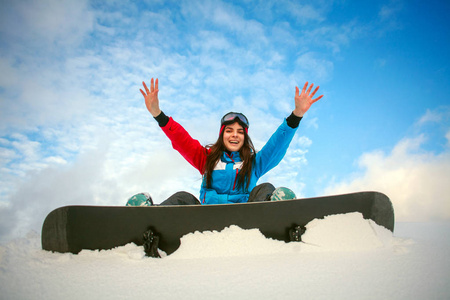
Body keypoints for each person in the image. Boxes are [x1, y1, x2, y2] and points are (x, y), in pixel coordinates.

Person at [134, 77, 323, 206]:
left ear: (245, 137)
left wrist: (296, 115)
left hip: (247, 214)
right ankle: (150, 217)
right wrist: (159, 115)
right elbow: (182, 140)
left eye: (240, 132)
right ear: (222, 135)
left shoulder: (253, 163)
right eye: (229, 131)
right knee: (183, 198)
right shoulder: (206, 159)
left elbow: (276, 146)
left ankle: (279, 210)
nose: (234, 135)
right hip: (208, 215)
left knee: (265, 188)